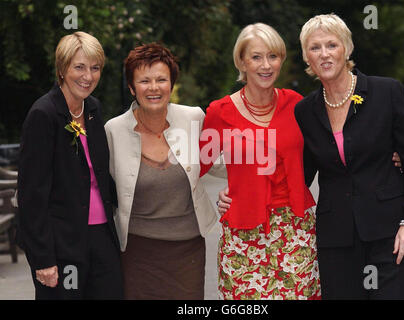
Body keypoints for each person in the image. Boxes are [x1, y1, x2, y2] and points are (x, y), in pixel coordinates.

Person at [293, 14, 404, 299]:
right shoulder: (305, 111)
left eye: (332, 45)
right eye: (315, 48)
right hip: (337, 239)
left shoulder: (386, 92)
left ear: (347, 49)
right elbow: (300, 175)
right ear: (307, 56)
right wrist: (240, 186)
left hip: (391, 234)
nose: (325, 54)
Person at [200, 23, 321, 300]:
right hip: (243, 234)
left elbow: (329, 147)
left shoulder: (297, 105)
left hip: (295, 230)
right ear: (242, 61)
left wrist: (390, 156)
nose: (266, 65)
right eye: (256, 57)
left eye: (273, 56)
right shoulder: (220, 112)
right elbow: (196, 165)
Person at [104, 43, 220, 299]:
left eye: (161, 79)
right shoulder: (113, 130)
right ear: (132, 88)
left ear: (171, 84)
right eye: (144, 81)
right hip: (136, 251)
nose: (154, 87)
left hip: (187, 249)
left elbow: (223, 163)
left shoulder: (194, 118)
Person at [17, 31, 123, 299]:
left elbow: (101, 175)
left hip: (102, 239)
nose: (88, 76)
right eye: (79, 67)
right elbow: (31, 195)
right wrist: (42, 258)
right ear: (62, 69)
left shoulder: (93, 109)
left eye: (95, 68)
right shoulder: (44, 115)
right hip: (61, 244)